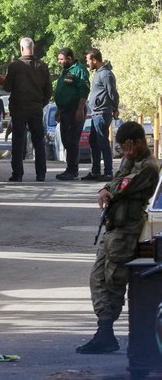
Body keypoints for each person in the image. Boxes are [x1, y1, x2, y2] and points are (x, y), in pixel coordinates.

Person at [76, 121, 159, 354]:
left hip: (127, 231)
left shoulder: (147, 167)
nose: (124, 151)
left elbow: (121, 187)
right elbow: (114, 183)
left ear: (137, 142)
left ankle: (106, 332)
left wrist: (111, 186)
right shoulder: (131, 162)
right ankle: (103, 329)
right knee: (98, 277)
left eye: (126, 146)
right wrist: (107, 187)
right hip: (115, 229)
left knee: (113, 280)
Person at [3, 37, 52, 182]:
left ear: (21, 49)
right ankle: (41, 173)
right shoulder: (42, 66)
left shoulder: (15, 66)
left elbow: (7, 87)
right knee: (38, 142)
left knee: (18, 141)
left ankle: (17, 174)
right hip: (36, 108)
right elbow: (48, 90)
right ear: (33, 48)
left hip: (18, 109)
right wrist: (41, 103)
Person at [82, 48, 119, 182]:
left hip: (102, 113)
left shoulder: (106, 74)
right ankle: (96, 171)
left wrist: (115, 108)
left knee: (102, 142)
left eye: (88, 60)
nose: (87, 63)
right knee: (93, 141)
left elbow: (113, 93)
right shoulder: (99, 73)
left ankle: (108, 172)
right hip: (96, 113)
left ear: (94, 60)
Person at [54, 48, 90, 181]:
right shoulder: (65, 71)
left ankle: (73, 170)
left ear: (69, 58)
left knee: (72, 141)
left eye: (61, 59)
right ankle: (69, 168)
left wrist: (80, 109)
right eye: (59, 59)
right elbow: (62, 91)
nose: (59, 62)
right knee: (65, 140)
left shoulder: (79, 70)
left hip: (74, 110)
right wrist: (58, 110)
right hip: (64, 111)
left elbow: (84, 89)